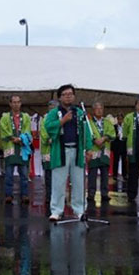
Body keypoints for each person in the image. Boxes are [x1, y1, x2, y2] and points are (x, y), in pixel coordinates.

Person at [44, 84, 92, 222]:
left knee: (79, 182)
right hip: (61, 150)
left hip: (77, 150)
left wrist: (88, 148)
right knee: (58, 182)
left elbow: (86, 132)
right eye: (65, 94)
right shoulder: (54, 112)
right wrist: (62, 121)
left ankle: (79, 210)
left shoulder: (80, 112)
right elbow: (48, 127)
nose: (68, 96)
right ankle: (56, 210)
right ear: (59, 97)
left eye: (70, 94)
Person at [0, 95, 33, 204]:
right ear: (10, 104)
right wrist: (12, 138)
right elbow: (3, 130)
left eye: (18, 102)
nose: (16, 104)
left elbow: (28, 130)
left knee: (24, 174)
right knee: (9, 174)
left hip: (22, 148)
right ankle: (9, 195)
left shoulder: (26, 117)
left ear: (21, 103)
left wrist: (21, 138)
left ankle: (24, 195)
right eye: (14, 102)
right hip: (10, 148)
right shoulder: (5, 117)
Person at [86, 101, 115, 203]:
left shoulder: (107, 122)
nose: (99, 110)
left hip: (104, 151)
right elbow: (87, 134)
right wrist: (95, 140)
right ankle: (91, 193)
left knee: (105, 174)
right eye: (97, 108)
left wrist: (104, 138)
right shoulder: (89, 122)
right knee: (92, 173)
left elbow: (112, 134)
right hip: (93, 151)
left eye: (101, 108)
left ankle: (104, 193)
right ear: (93, 110)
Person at [40, 100, 58, 203]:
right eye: (50, 107)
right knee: (49, 175)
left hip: (58, 150)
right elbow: (43, 132)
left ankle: (59, 196)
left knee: (60, 175)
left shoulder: (60, 118)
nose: (52, 109)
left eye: (54, 107)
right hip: (48, 150)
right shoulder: (45, 119)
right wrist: (49, 138)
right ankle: (49, 195)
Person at [111, 113, 128, 184]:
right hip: (117, 145)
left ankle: (125, 174)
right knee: (116, 160)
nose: (120, 120)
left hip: (124, 145)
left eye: (121, 119)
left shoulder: (126, 127)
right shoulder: (114, 127)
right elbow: (112, 136)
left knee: (124, 161)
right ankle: (115, 175)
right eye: (118, 119)